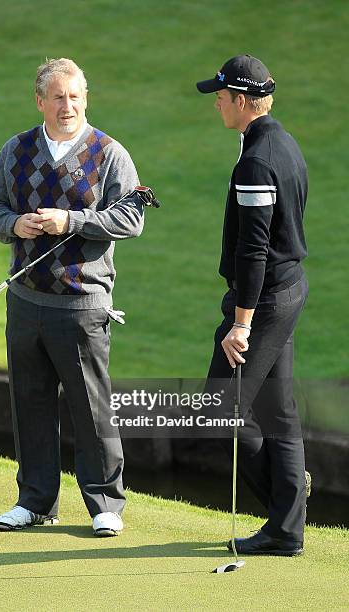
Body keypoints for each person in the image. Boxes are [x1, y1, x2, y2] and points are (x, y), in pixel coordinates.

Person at [0, 57, 145, 536]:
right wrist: (15, 223)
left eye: (75, 96)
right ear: (40, 101)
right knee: (29, 404)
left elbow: (131, 218)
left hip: (82, 305)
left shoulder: (110, 153)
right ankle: (34, 502)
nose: (67, 106)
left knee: (91, 408)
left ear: (85, 99)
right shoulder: (16, 150)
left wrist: (69, 221)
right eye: (58, 97)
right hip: (26, 303)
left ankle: (105, 505)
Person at [196, 55, 310, 555]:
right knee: (277, 410)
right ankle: (286, 527)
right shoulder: (281, 141)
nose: (216, 102)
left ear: (242, 101)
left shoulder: (257, 160)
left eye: (220, 96)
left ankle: (286, 505)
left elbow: (254, 249)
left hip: (264, 301)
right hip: (287, 290)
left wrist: (241, 323)